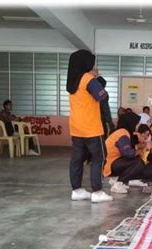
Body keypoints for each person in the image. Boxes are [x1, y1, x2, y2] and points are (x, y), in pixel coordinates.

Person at [67, 49, 113, 203]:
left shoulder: (72, 80)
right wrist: (97, 79)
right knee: (98, 158)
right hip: (92, 128)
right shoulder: (87, 79)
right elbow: (103, 96)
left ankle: (77, 190)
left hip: (76, 128)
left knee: (77, 159)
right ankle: (97, 192)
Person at [103, 112, 152, 194]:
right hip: (110, 164)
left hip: (118, 162)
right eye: (137, 123)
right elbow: (128, 153)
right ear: (131, 123)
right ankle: (118, 183)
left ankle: (123, 179)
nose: (138, 125)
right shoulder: (122, 133)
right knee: (139, 162)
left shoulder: (127, 132)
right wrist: (143, 150)